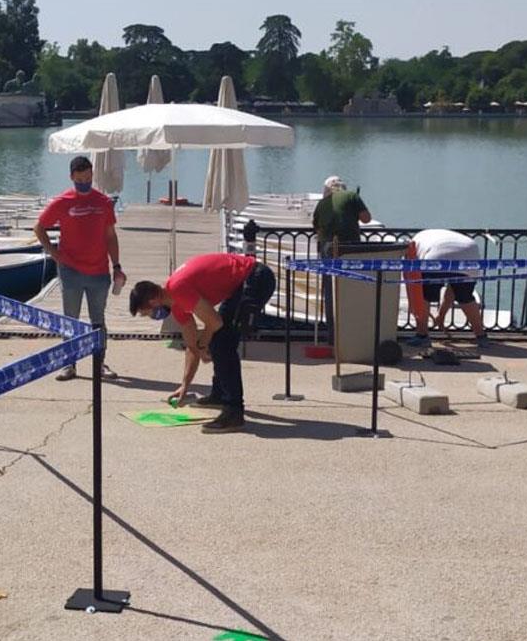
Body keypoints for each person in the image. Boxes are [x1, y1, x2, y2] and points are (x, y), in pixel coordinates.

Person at [128, 253, 276, 433]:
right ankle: (220, 394)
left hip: (256, 278)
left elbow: (214, 322)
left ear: (153, 301)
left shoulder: (178, 288)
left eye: (147, 313)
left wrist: (204, 342)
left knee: (223, 344)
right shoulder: (176, 303)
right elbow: (192, 347)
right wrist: (185, 385)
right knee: (218, 339)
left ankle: (234, 412)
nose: (152, 317)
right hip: (241, 283)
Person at [35, 156, 126, 380]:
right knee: (70, 319)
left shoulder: (103, 202)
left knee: (98, 319)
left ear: (92, 175)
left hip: (98, 271)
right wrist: (54, 253)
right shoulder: (63, 201)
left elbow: (110, 236)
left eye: (87, 178)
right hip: (71, 270)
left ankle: (100, 363)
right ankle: (69, 363)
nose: (84, 183)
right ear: (72, 178)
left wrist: (116, 265)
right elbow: (39, 227)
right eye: (80, 179)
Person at [406, 229, 487, 346]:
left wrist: (416, 306)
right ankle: (481, 336)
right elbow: (452, 288)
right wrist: (441, 315)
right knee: (465, 297)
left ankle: (422, 335)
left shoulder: (415, 241)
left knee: (423, 296)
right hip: (470, 253)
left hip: (435, 257)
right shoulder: (446, 236)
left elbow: (414, 285)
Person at [311, 175, 371, 335]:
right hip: (349, 247)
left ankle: (333, 334)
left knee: (330, 290)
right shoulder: (352, 196)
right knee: (352, 286)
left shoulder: (322, 204)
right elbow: (366, 219)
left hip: (326, 248)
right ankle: (352, 331)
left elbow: (317, 229)